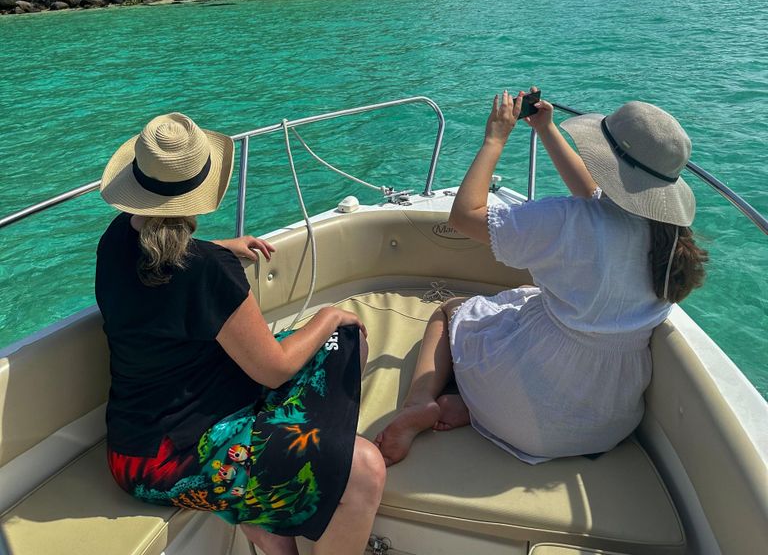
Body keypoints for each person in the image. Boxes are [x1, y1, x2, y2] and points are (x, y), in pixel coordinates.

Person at [96, 112, 385, 555]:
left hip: (130, 454)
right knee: (363, 458)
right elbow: (275, 370)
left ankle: (261, 512)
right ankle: (297, 482)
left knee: (338, 346)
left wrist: (220, 250)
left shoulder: (115, 240)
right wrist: (328, 316)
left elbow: (164, 264)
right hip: (181, 461)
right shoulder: (208, 272)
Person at [376, 89, 708, 466]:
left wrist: (494, 138)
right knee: (525, 294)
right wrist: (546, 130)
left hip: (531, 403)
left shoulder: (565, 221)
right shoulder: (668, 238)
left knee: (451, 310)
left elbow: (464, 215)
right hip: (604, 424)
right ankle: (474, 406)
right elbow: (595, 196)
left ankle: (420, 403)